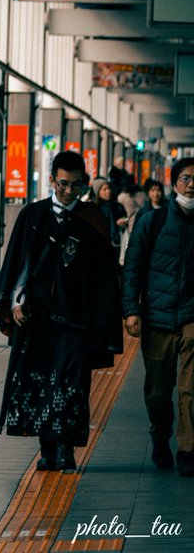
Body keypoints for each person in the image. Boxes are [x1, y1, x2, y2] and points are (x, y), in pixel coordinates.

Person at [0, 151, 123, 473]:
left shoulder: (93, 219)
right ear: (52, 180)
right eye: (63, 184)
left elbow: (104, 276)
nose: (68, 191)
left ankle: (66, 450)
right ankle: (47, 449)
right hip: (37, 318)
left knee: (71, 385)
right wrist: (16, 302)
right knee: (38, 383)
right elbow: (18, 263)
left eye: (76, 185)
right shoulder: (32, 215)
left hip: (78, 320)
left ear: (83, 183)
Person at [122, 156, 194, 476]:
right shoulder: (153, 221)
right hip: (157, 315)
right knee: (157, 390)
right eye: (186, 178)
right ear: (174, 182)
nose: (192, 185)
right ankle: (161, 436)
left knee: (191, 388)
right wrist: (131, 310)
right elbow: (133, 266)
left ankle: (189, 449)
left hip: (192, 315)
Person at [91, 177, 128, 260]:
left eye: (109, 188)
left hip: (117, 244)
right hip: (99, 246)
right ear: (98, 193)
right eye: (104, 190)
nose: (108, 191)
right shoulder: (94, 208)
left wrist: (124, 222)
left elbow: (126, 221)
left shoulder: (118, 206)